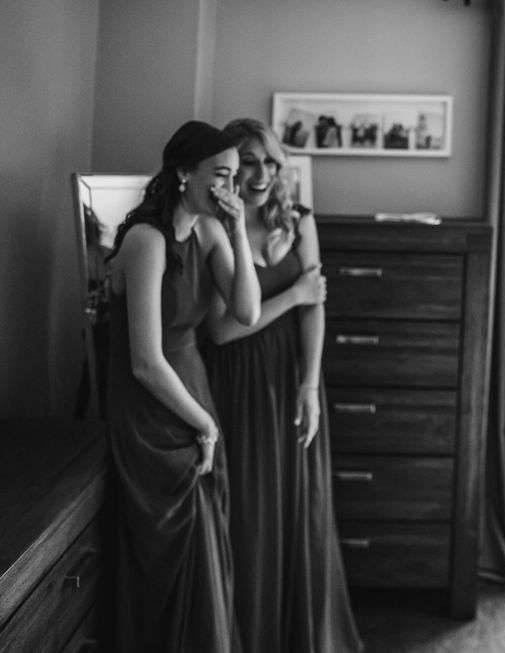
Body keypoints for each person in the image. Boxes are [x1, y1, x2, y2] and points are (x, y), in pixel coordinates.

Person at [201, 117, 363, 653]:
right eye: (250, 161)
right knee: (249, 510)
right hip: (236, 381)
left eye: (271, 161)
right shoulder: (215, 226)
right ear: (229, 167)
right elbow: (223, 328)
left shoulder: (297, 219)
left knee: (299, 506)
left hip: (290, 377)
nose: (262, 172)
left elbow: (317, 306)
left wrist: (309, 387)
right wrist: (292, 296)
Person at [105, 119, 261, 653]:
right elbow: (145, 362)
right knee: (172, 544)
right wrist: (205, 424)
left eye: (234, 178)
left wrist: (238, 230)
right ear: (182, 174)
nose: (230, 189)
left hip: (192, 385)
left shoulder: (211, 232)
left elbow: (246, 310)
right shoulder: (145, 241)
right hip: (153, 406)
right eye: (221, 175)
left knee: (208, 541)